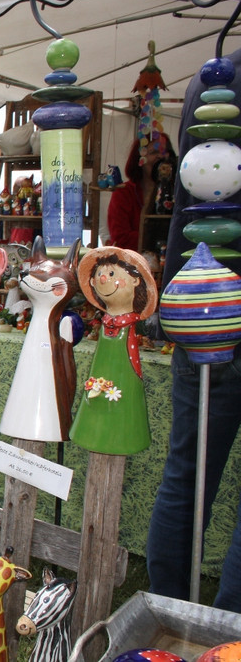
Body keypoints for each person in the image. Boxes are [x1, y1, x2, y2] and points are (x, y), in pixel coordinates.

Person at [146, 47, 241, 613]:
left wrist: (175, 302)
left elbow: (188, 200)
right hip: (210, 306)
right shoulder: (214, 77)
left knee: (187, 470)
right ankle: (225, 633)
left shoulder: (213, 75)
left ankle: (170, 616)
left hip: (204, 304)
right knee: (187, 472)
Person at [107, 137, 177, 251]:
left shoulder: (176, 193)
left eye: (164, 152)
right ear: (139, 159)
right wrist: (157, 240)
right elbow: (120, 238)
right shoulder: (123, 192)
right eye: (154, 152)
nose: (161, 156)